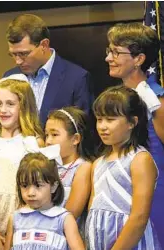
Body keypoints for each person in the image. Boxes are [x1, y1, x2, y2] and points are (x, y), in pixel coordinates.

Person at [106, 22, 164, 243]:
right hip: (119, 193)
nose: (108, 58)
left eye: (116, 52)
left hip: (154, 197)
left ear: (139, 59)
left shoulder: (156, 100)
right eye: (108, 51)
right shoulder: (114, 98)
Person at [86, 85, 161, 249]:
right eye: (99, 119)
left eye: (110, 120)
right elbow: (93, 209)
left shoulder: (140, 159)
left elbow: (139, 217)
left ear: (132, 122)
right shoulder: (98, 163)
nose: (102, 126)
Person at [0, 75, 44, 243]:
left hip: (21, 217)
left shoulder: (33, 142)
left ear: (24, 106)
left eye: (10, 104)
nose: (2, 110)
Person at [3, 14, 93, 126]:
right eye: (13, 54)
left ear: (44, 45)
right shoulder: (9, 77)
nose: (18, 61)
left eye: (23, 54)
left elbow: (82, 131)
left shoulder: (76, 79)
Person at [4, 152, 84, 250]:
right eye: (24, 186)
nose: (30, 193)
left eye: (38, 185)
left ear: (53, 187)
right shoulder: (15, 218)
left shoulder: (63, 219)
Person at [45, 106, 96, 235]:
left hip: (66, 235)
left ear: (75, 139)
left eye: (55, 134)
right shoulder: (47, 165)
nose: (48, 141)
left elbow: (71, 213)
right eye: (46, 135)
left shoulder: (83, 167)